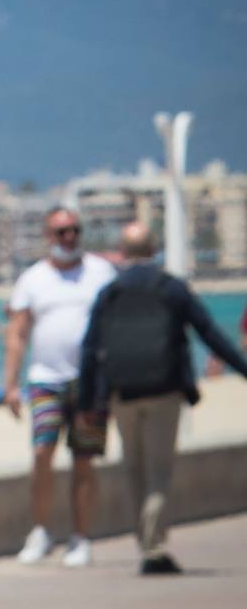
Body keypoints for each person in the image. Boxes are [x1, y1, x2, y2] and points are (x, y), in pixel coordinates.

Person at [78, 222, 247, 575]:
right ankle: (153, 546)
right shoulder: (172, 288)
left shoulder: (110, 292)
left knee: (133, 469)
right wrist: (241, 368)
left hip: (122, 394)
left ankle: (147, 544)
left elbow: (91, 348)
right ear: (154, 250)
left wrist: (90, 401)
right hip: (165, 392)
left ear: (122, 253)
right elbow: (208, 332)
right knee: (159, 470)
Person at [2, 207, 116, 567]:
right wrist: (10, 385)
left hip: (90, 383)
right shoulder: (32, 279)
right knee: (41, 454)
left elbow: (120, 325)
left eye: (75, 230)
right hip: (44, 380)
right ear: (49, 236)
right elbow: (18, 334)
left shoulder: (102, 273)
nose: (70, 237)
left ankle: (80, 538)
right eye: (62, 231)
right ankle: (40, 530)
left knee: (84, 459)